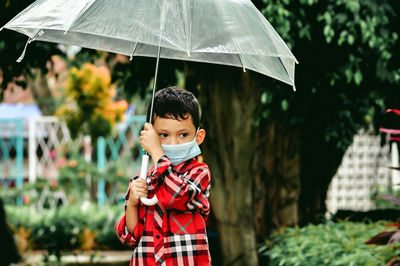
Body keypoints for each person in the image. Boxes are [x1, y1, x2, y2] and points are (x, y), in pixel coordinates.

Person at [115, 87, 212, 265]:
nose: (173, 142)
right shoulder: (142, 181)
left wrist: (158, 151)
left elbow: (176, 195)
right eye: (163, 135)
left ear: (198, 137)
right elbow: (129, 237)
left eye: (183, 134)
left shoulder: (199, 173)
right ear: (149, 136)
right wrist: (132, 204)